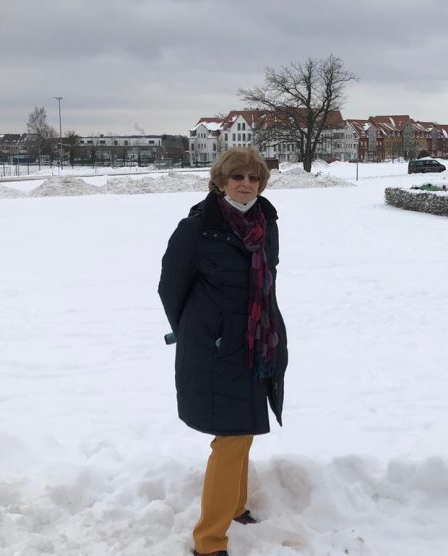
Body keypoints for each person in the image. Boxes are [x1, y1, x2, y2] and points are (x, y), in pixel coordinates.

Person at [159, 147, 288, 556]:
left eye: (253, 178)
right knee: (231, 438)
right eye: (238, 177)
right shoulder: (196, 228)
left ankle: (235, 507)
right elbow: (170, 289)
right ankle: (209, 541)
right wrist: (202, 332)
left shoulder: (266, 222)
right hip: (215, 349)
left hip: (256, 342)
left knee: (244, 431)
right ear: (221, 180)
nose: (246, 184)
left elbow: (268, 277)